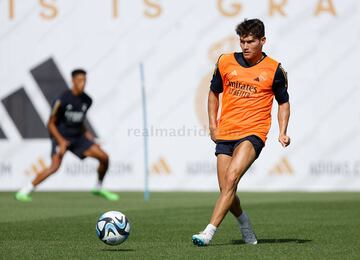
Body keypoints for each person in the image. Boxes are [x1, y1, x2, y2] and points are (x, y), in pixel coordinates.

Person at [192, 18, 291, 246]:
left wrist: (283, 131)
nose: (245, 46)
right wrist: (213, 125)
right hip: (226, 132)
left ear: (263, 41)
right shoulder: (226, 62)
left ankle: (208, 232)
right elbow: (213, 93)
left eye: (251, 41)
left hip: (253, 132)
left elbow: (283, 102)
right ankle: (244, 223)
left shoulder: (274, 69)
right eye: (242, 41)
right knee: (226, 188)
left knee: (232, 177)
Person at [15, 69, 119, 202]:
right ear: (73, 81)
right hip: (61, 137)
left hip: (78, 138)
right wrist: (61, 141)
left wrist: (88, 136)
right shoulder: (62, 99)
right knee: (55, 167)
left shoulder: (87, 100)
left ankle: (98, 188)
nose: (83, 83)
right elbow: (51, 124)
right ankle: (24, 191)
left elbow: (79, 121)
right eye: (80, 80)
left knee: (104, 157)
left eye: (85, 81)